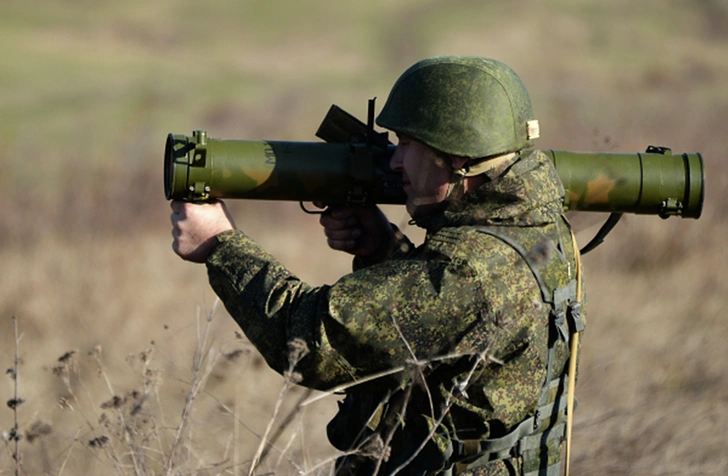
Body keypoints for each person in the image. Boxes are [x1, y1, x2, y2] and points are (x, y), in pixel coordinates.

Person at [171, 56, 585, 476]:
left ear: (458, 157)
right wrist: (384, 249)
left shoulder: (467, 272)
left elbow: (311, 342)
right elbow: (453, 328)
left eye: (406, 144)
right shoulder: (537, 225)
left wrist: (220, 245)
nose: (394, 162)